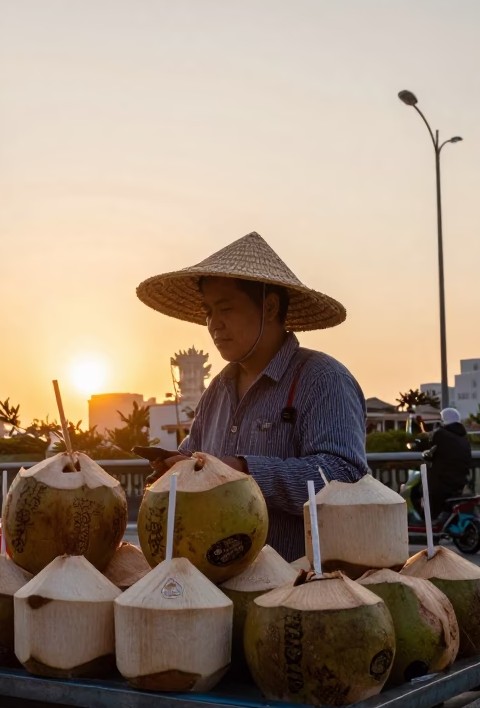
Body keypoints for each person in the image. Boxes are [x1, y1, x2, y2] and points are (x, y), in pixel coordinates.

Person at [136, 232, 367, 561]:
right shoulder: (217, 389)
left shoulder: (324, 379)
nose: (214, 324)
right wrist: (178, 467)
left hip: (298, 584)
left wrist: (242, 469)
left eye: (226, 308)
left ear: (270, 307)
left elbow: (343, 476)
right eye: (209, 311)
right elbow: (197, 458)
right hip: (216, 583)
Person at [410, 407, 472, 521]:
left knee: (415, 492)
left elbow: (430, 448)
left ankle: (426, 521)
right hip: (460, 481)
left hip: (441, 482)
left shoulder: (440, 434)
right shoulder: (464, 438)